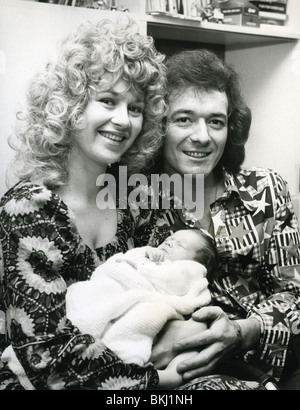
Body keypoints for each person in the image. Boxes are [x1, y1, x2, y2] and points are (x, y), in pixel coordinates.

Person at [0, 16, 199, 390]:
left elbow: (182, 289)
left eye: (136, 108)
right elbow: (48, 358)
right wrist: (156, 380)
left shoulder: (140, 199)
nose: (123, 120)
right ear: (70, 106)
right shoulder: (29, 208)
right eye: (107, 100)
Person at [134, 49, 300, 390]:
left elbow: (293, 293)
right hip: (191, 375)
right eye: (184, 119)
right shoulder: (134, 207)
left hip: (280, 360)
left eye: (216, 121)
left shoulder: (265, 189)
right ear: (158, 125)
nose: (202, 136)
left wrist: (241, 331)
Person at [65, 229, 215, 367]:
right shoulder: (151, 254)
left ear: (197, 263)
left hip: (146, 302)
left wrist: (145, 265)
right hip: (118, 288)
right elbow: (121, 262)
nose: (169, 242)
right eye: (170, 238)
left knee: (143, 318)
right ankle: (82, 323)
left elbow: (172, 280)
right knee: (92, 292)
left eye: (180, 245)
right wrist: (143, 255)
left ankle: (123, 354)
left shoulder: (191, 271)